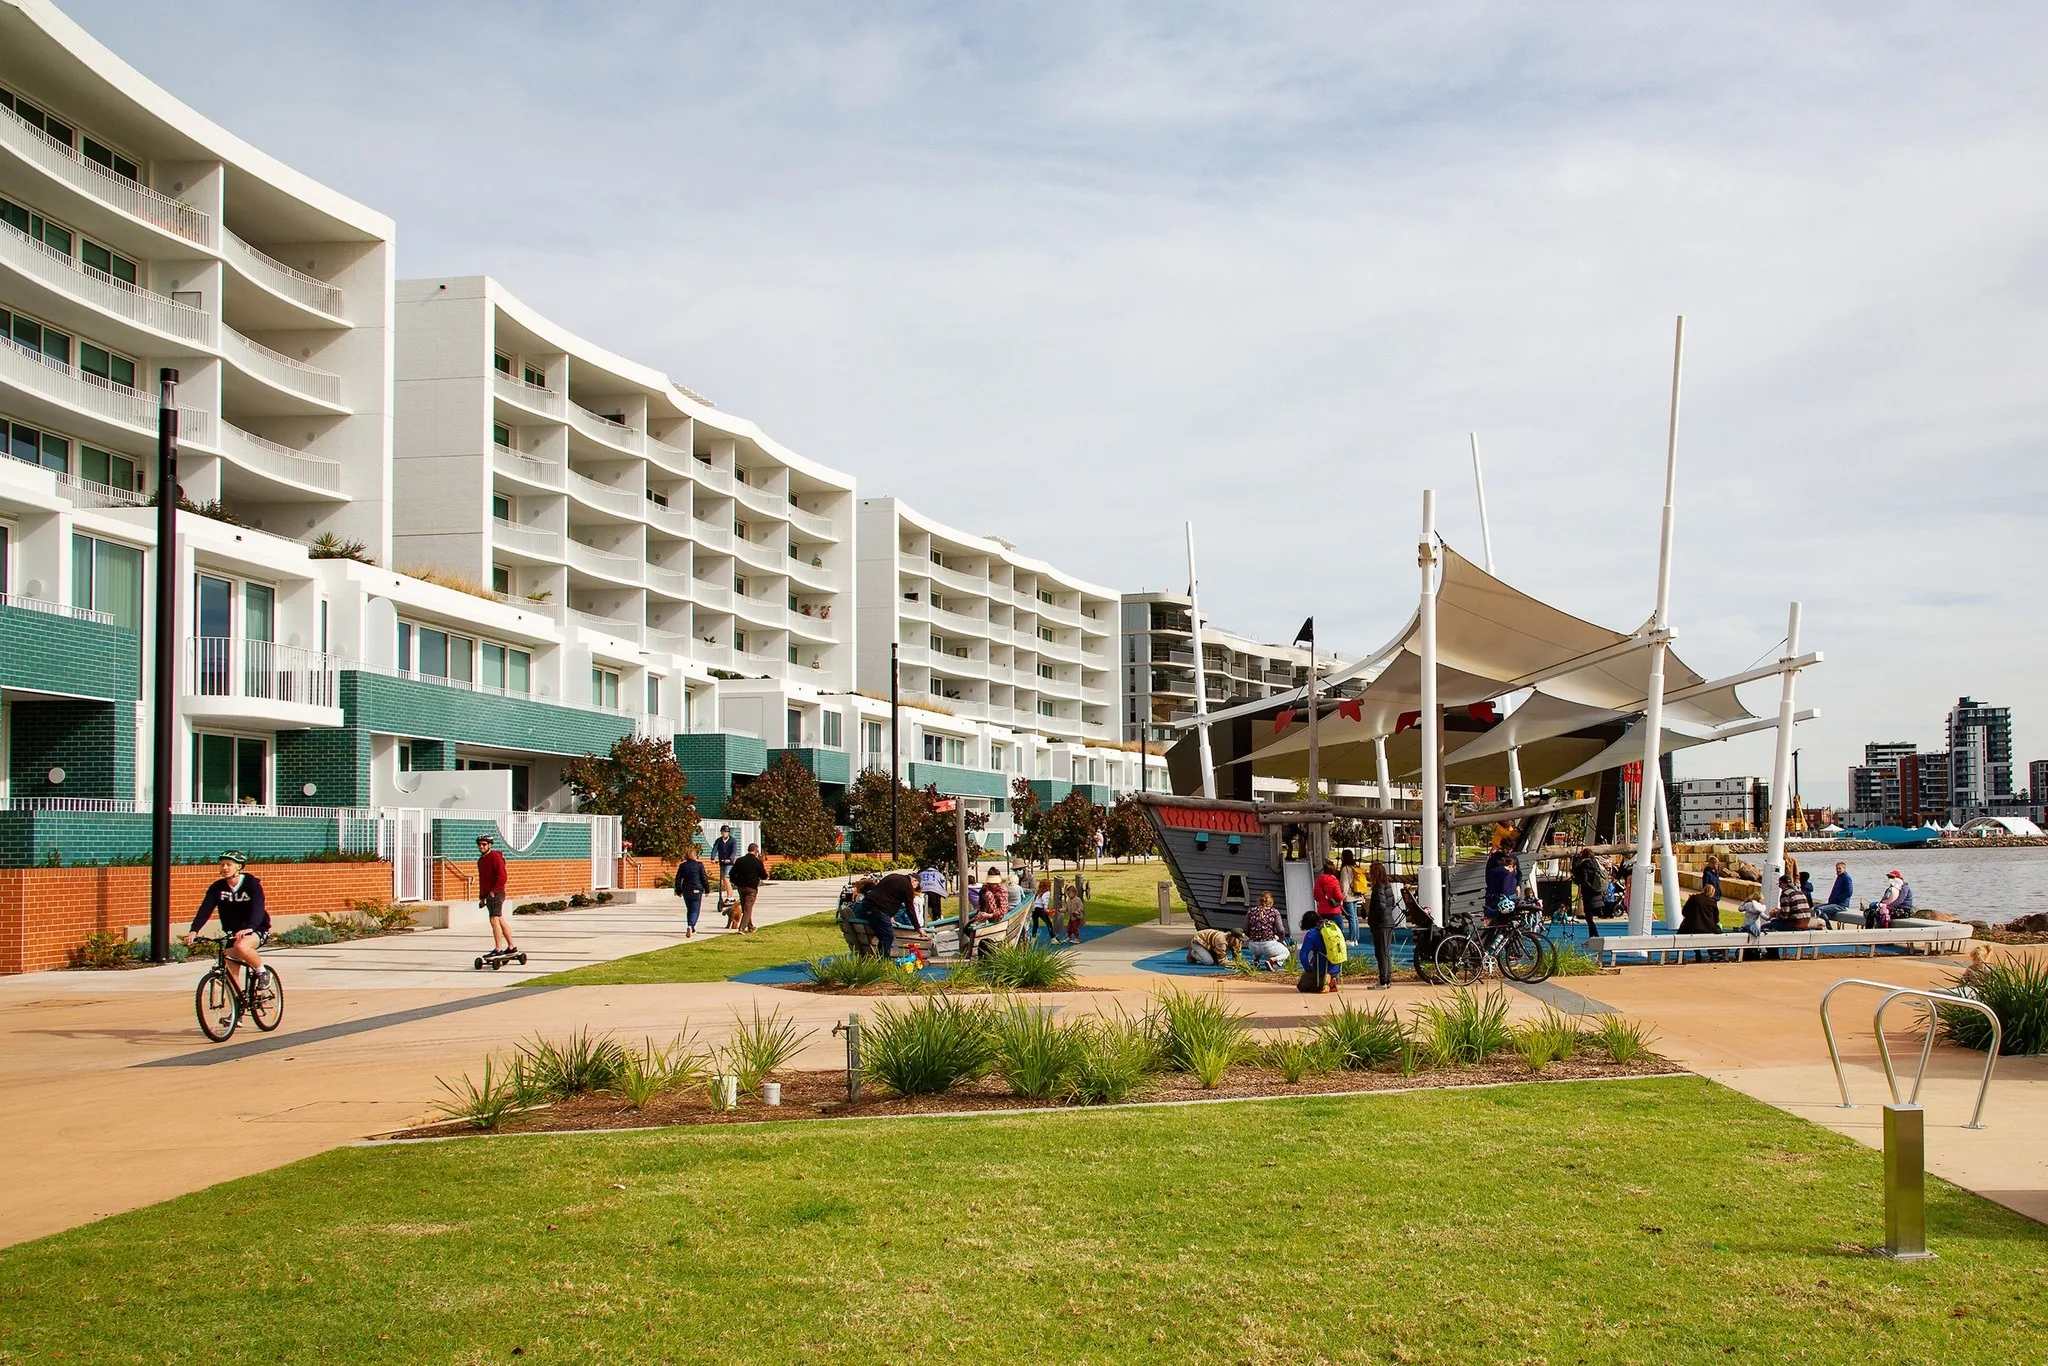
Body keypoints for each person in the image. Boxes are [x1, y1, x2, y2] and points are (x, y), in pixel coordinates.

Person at [183, 851, 270, 992]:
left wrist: (251, 927)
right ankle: (236, 1009)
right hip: (233, 933)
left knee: (242, 947)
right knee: (230, 975)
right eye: (222, 864)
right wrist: (194, 930)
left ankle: (262, 972)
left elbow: (258, 908)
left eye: (229, 865)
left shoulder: (251, 884)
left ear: (239, 867)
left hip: (256, 929)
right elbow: (205, 909)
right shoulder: (217, 888)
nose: (225, 868)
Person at [476, 834, 518, 959]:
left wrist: (494, 891)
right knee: (499, 919)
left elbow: (502, 877)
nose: (481, 846)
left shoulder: (495, 857)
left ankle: (498, 949)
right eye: (479, 844)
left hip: (496, 893)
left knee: (494, 920)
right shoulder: (481, 860)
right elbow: (483, 880)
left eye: (484, 844)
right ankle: (511, 947)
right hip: (488, 895)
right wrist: (482, 897)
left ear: (490, 845)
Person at [860, 869, 919, 958]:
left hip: (868, 904)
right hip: (878, 908)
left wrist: (890, 916)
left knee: (883, 934)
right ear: (914, 881)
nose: (914, 888)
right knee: (888, 935)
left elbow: (887, 895)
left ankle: (880, 960)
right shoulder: (907, 887)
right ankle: (883, 962)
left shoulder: (893, 877)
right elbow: (910, 908)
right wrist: (918, 927)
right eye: (916, 885)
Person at [1365, 861, 1400, 989]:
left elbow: (1380, 906)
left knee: (1381, 953)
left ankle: (1383, 980)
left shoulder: (1378, 887)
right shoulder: (1387, 885)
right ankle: (1387, 979)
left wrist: (1372, 918)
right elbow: (1391, 903)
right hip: (1388, 921)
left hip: (1381, 924)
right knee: (1385, 952)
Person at [1242, 892, 1290, 972]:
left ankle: (1256, 960)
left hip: (1253, 946)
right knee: (1286, 952)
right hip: (1268, 945)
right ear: (1271, 901)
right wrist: (1282, 939)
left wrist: (1251, 936)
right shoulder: (1274, 912)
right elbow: (1281, 930)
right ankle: (1272, 960)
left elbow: (1245, 928)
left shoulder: (1251, 911)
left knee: (1257, 948)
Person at [728, 842, 767, 934]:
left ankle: (751, 927)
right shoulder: (757, 862)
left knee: (746, 908)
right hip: (751, 888)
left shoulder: (740, 861)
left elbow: (732, 874)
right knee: (747, 909)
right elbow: (763, 875)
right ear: (756, 851)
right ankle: (742, 928)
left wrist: (736, 882)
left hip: (741, 887)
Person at [1573, 848, 1608, 939]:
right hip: (1597, 892)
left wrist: (1577, 879)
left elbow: (1584, 880)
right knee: (1590, 918)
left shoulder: (1584, 865)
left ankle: (1595, 937)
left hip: (1589, 893)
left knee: (1589, 918)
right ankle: (1592, 937)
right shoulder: (1595, 863)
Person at [673, 846, 708, 938]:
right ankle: (691, 925)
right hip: (697, 889)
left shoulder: (682, 866)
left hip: (686, 889)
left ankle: (691, 928)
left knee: (689, 910)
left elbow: (678, 879)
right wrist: (707, 889)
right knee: (695, 910)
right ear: (695, 855)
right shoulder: (699, 865)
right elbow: (704, 878)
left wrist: (678, 890)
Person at [1818, 861, 1855, 926]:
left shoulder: (1846, 878)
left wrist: (1838, 899)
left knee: (1820, 910)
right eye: (1837, 869)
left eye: (1840, 868)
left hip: (1841, 905)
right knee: (1816, 908)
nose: (1838, 870)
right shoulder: (1839, 877)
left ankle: (1828, 927)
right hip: (1833, 903)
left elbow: (1849, 892)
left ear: (1844, 869)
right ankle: (1819, 926)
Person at [1317, 912, 1347, 992]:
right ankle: (1333, 978)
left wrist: (1308, 968)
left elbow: (1304, 955)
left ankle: (1326, 981)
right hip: (1337, 966)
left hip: (1320, 968)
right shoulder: (1338, 933)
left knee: (1304, 983)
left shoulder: (1313, 935)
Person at [711, 824, 739, 911]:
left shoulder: (732, 841)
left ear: (728, 833)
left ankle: (730, 897)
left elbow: (734, 851)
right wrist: (712, 858)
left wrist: (730, 858)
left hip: (729, 862)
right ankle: (728, 896)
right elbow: (714, 849)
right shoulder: (719, 841)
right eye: (723, 832)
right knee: (723, 879)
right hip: (722, 861)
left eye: (725, 832)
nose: (724, 834)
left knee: (726, 877)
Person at [1340, 850, 1365, 945]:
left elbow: (1344, 884)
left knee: (1351, 918)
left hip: (1349, 896)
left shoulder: (1345, 869)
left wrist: (1342, 896)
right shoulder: (1354, 867)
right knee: (1354, 918)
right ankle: (1355, 938)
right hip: (1356, 895)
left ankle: (1351, 938)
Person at [1313, 859, 1344, 929]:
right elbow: (1339, 897)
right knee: (1339, 930)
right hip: (1334, 911)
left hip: (1322, 911)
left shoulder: (1318, 881)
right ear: (1333, 871)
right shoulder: (1334, 881)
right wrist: (1342, 895)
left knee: (1322, 931)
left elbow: (1315, 897)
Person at [917, 861, 946, 927]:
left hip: (922, 892)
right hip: (934, 891)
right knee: (936, 908)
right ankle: (937, 922)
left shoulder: (921, 873)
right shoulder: (938, 873)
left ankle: (922, 923)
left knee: (922, 908)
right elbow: (943, 882)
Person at [1062, 879, 1086, 943]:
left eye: (1069, 893)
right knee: (1069, 928)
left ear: (1074, 893)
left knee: (1074, 928)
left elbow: (1081, 906)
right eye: (1067, 893)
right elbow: (1066, 908)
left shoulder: (1077, 899)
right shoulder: (1069, 900)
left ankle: (1077, 938)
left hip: (1077, 917)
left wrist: (1078, 911)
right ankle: (1069, 937)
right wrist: (1061, 910)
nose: (1068, 895)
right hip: (1071, 917)